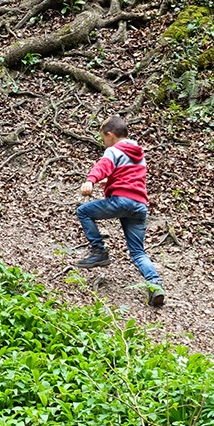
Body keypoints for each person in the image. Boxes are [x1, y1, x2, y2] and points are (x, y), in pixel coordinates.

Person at [75, 115, 165, 307]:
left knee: (84, 211)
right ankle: (156, 285)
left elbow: (103, 165)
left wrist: (90, 180)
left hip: (122, 201)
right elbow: (129, 176)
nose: (104, 143)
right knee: (138, 252)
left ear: (110, 135)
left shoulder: (114, 150)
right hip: (139, 206)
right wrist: (109, 182)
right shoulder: (138, 154)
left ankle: (99, 251)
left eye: (103, 139)